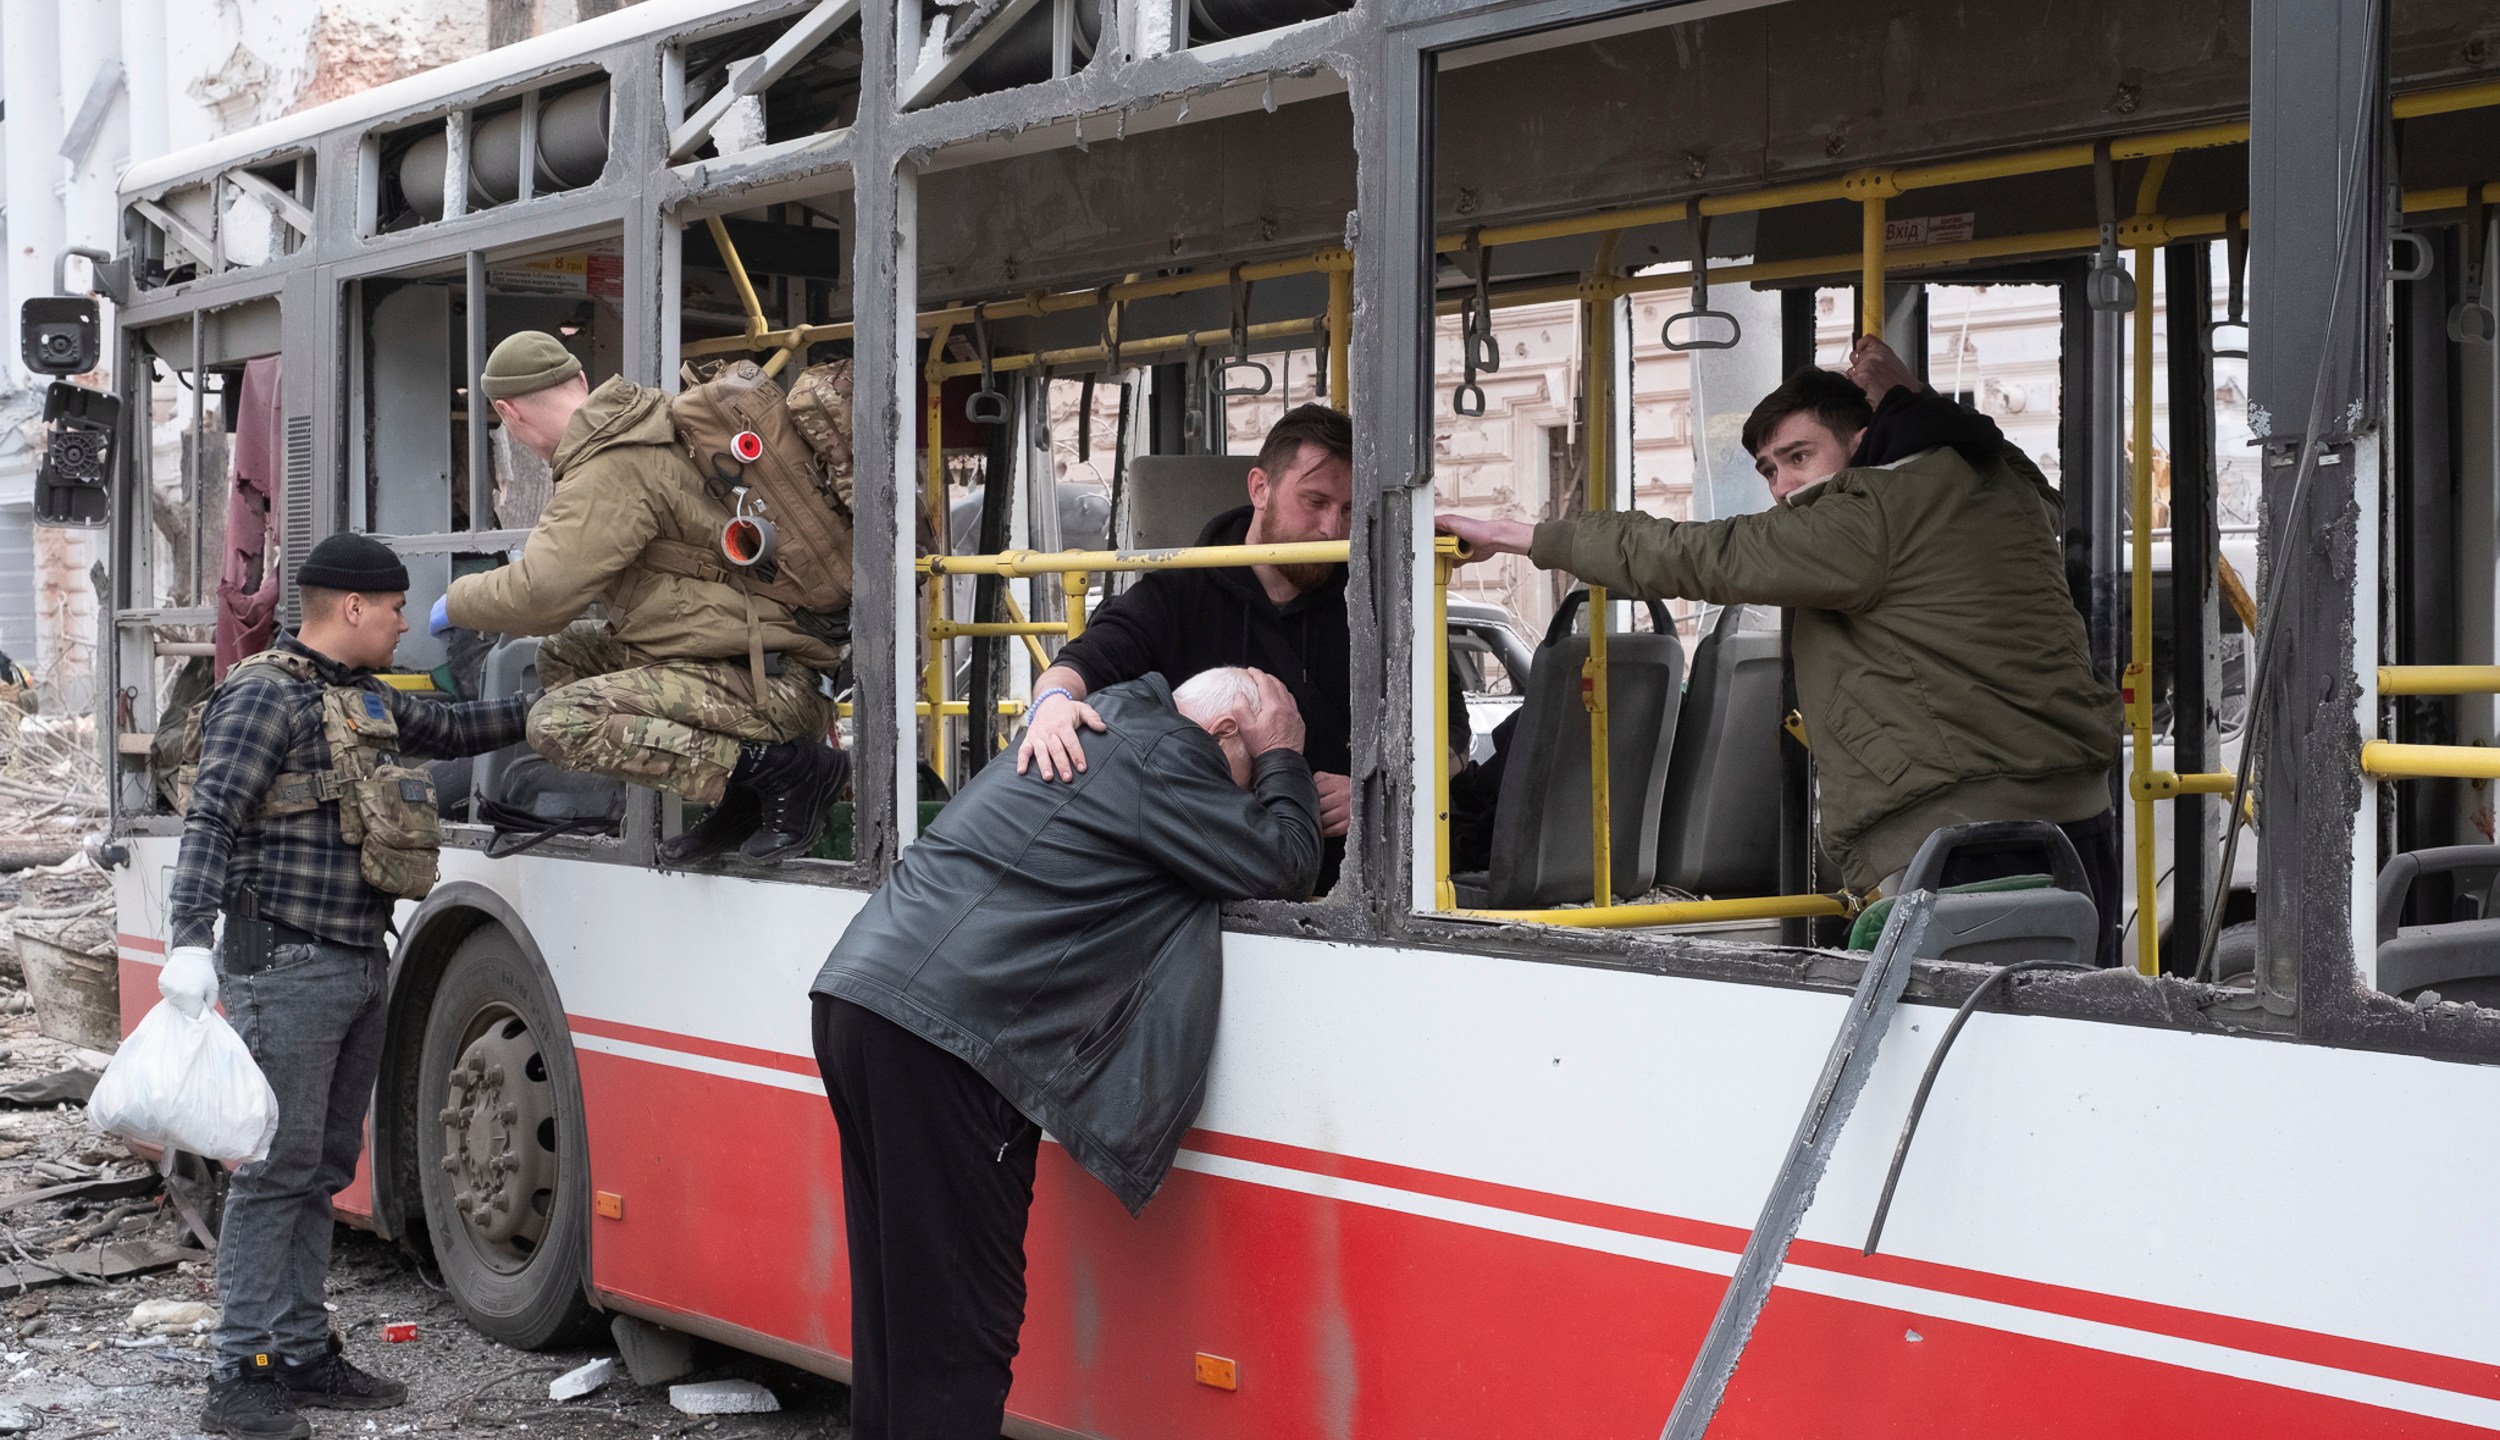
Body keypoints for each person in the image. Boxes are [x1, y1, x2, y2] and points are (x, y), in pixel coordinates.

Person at [1440, 337, 2123, 960]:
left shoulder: (1866, 515)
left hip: (1962, 834)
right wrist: (1913, 397)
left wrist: (1520, 535)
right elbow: (2004, 456)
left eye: (1799, 457)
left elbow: (1695, 555)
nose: (1784, 486)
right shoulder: (2001, 492)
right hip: (2080, 814)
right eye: (1770, 470)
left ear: (1863, 442)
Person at [811, 666, 1322, 1440]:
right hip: (947, 1036)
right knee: (957, 1329)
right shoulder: (1170, 754)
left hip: (862, 996)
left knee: (899, 1313)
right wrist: (1286, 755)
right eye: (1248, 772)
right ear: (1221, 735)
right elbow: (1283, 863)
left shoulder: (1109, 726)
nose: (1240, 800)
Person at [160, 533, 541, 1439]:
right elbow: (213, 813)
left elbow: (452, 730)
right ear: (354, 608)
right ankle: (240, 1372)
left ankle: (298, 1349)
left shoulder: (355, 698)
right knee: (271, 1172)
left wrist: (547, 710)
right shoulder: (263, 694)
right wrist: (186, 940)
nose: (409, 621)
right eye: (399, 607)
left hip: (354, 961)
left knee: (322, 1168)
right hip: (284, 966)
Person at [1016, 403, 1465, 886]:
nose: (1332, 529)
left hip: (1364, 883)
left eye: (1350, 509)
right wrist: (1053, 703)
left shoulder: (1379, 603)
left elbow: (1452, 735)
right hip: (1210, 876)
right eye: (1314, 502)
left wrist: (1383, 793)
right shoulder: (1178, 592)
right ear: (1260, 489)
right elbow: (1084, 661)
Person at [437, 331, 843, 864]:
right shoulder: (648, 423)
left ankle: (785, 772)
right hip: (768, 656)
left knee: (559, 723)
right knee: (567, 653)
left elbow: (543, 595)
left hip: (770, 681)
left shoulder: (609, 465)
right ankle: (740, 791)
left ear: (507, 414)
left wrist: (454, 601)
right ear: (581, 380)